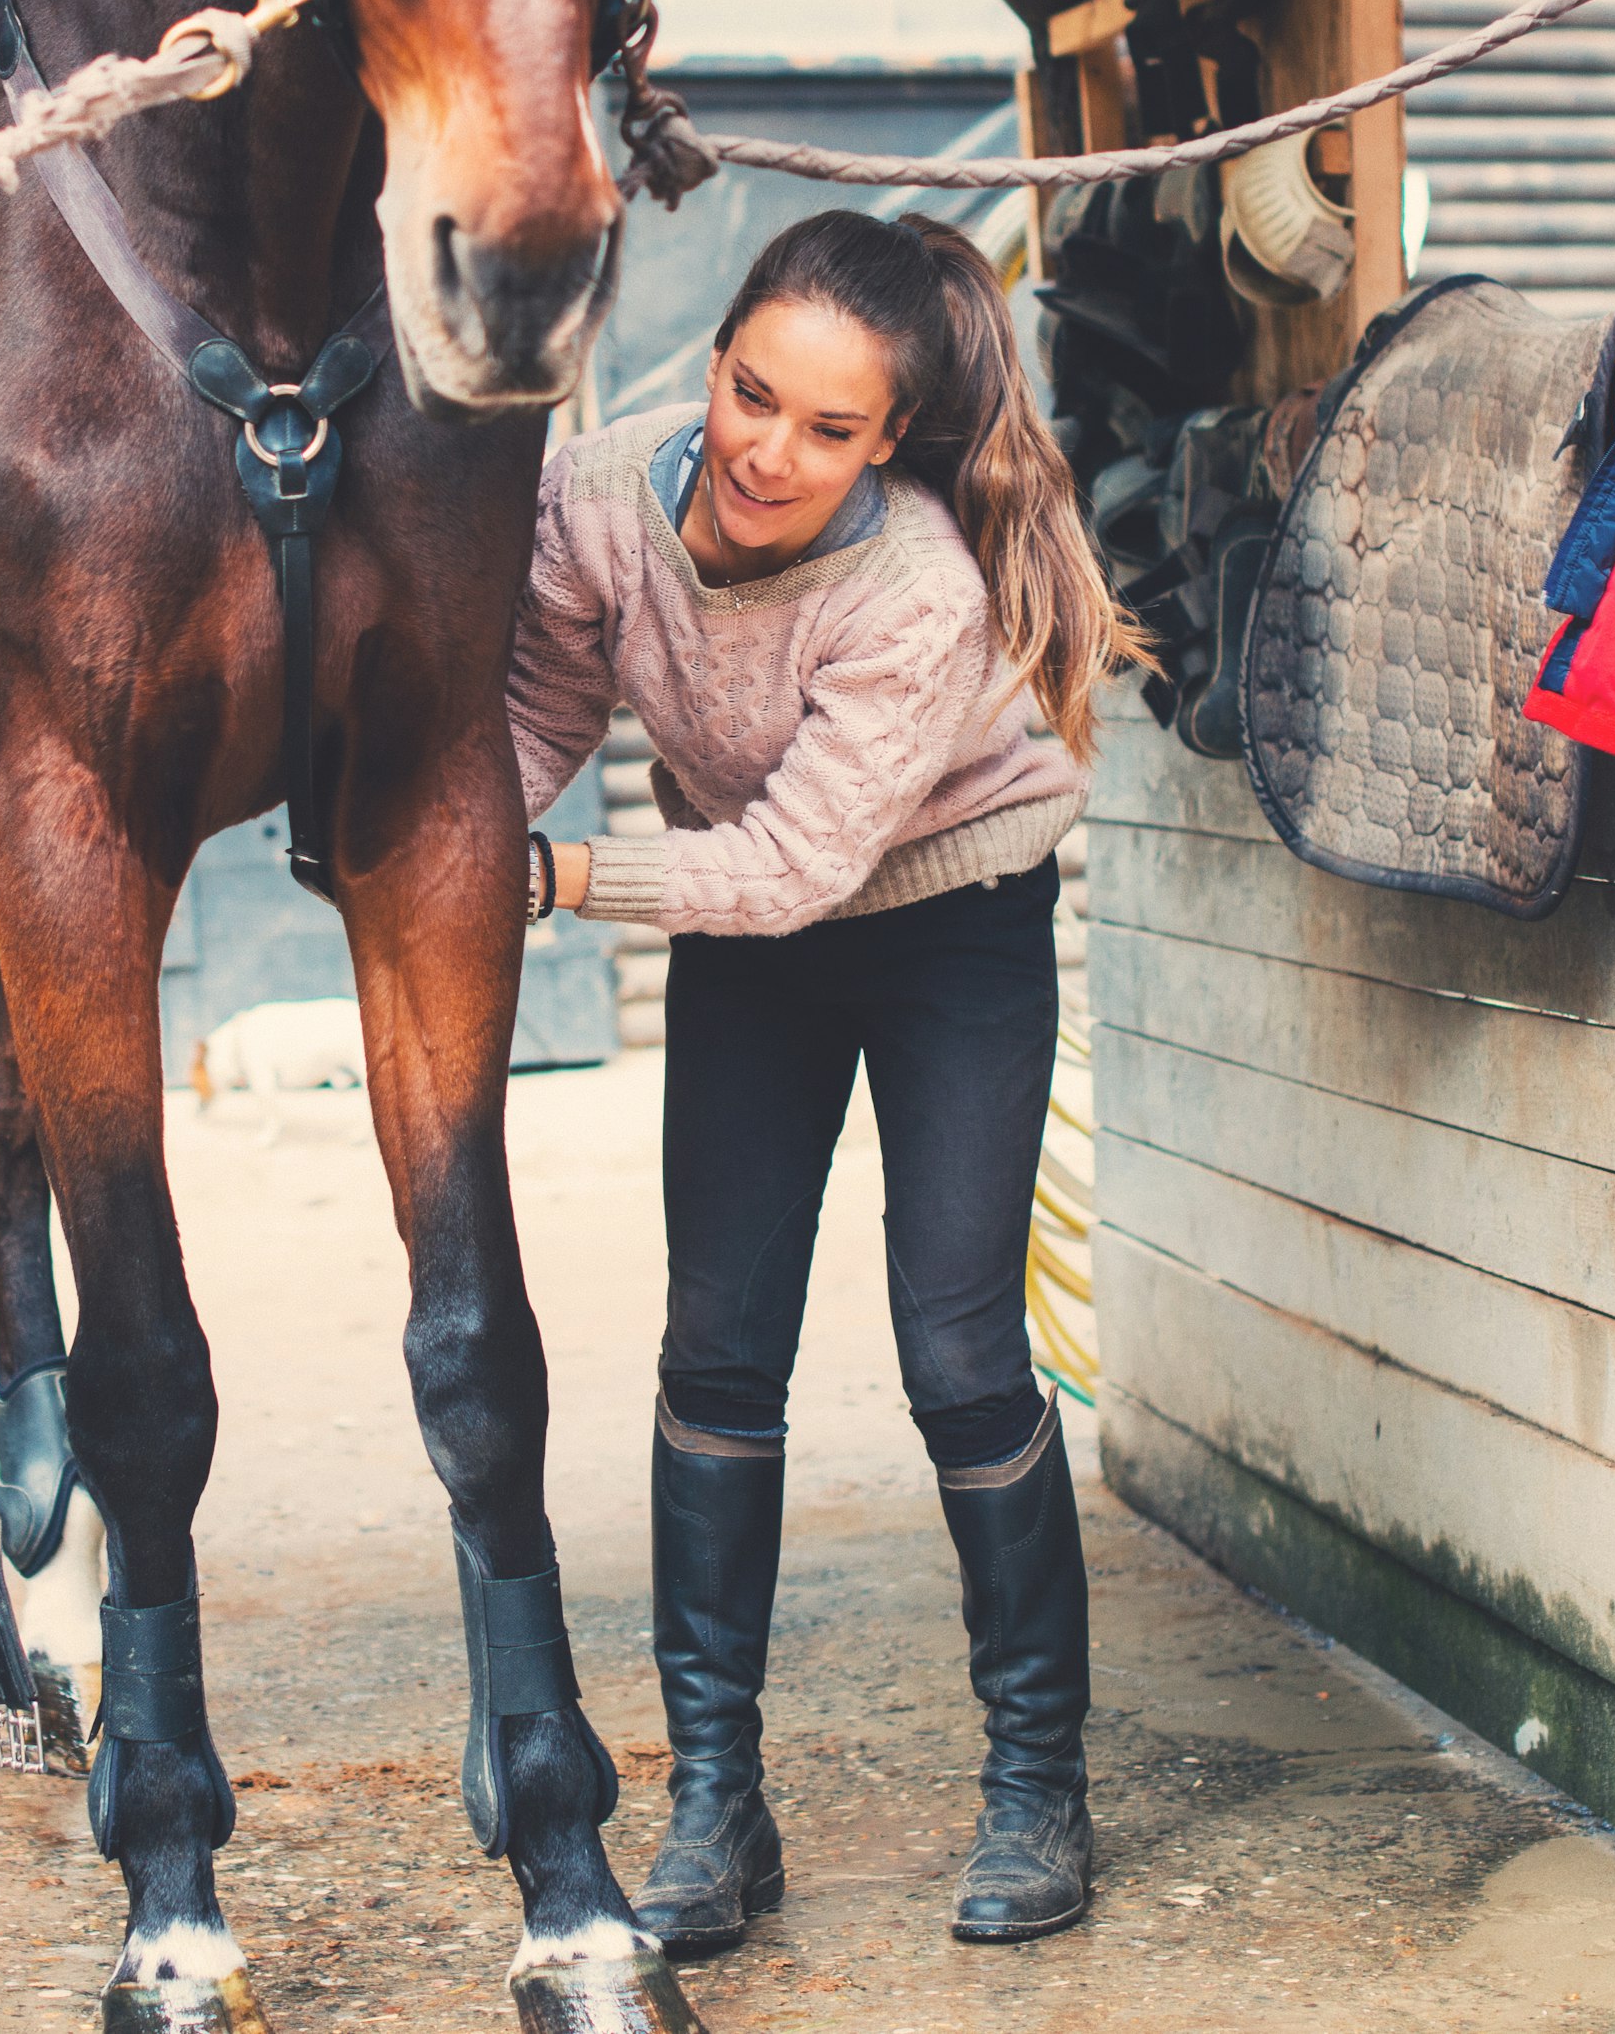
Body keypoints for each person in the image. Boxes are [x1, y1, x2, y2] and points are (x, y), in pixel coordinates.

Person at [510, 207, 1145, 1952]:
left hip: (949, 924)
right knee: (718, 1351)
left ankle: (1039, 1786)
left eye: (830, 428)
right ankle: (715, 1806)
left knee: (960, 1355)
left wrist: (559, 879)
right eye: (751, 394)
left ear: (890, 441)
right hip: (753, 923)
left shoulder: (920, 587)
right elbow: (540, 719)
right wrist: (438, 836)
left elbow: (797, 866)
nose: (769, 452)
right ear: (715, 356)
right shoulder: (594, 503)